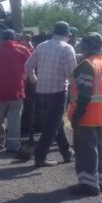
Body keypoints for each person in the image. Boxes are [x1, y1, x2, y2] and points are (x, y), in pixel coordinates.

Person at [24, 21, 77, 167]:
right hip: (58, 91)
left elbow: (28, 65)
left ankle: (67, 152)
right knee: (51, 126)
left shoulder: (42, 46)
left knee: (55, 122)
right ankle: (40, 157)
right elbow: (71, 74)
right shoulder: (67, 49)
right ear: (67, 34)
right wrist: (75, 93)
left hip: (42, 91)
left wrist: (34, 80)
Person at [68, 33, 102, 196]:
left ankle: (88, 185)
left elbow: (85, 93)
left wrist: (77, 115)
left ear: (85, 47)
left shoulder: (86, 65)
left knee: (85, 149)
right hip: (101, 113)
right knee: (98, 148)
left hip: (87, 115)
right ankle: (99, 180)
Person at [0, 29, 31, 156]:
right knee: (14, 119)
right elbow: (32, 60)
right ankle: (13, 145)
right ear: (14, 38)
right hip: (17, 90)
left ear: (2, 38)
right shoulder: (21, 49)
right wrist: (28, 43)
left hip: (1, 89)